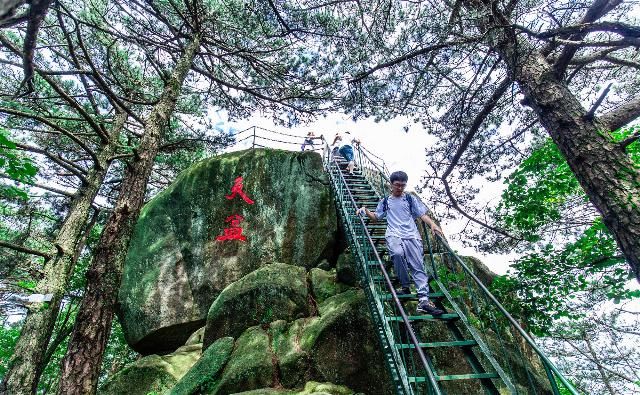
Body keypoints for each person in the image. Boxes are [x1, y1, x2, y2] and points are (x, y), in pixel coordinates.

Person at [356, 171, 444, 316]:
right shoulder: (385, 201)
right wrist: (365, 210)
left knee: (417, 266)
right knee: (397, 254)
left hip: (412, 236)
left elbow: (422, 214)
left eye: (403, 186)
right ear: (391, 185)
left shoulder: (409, 199)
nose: (400, 188)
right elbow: (376, 217)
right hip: (393, 234)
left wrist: (433, 225)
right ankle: (405, 285)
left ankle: (423, 301)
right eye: (397, 185)